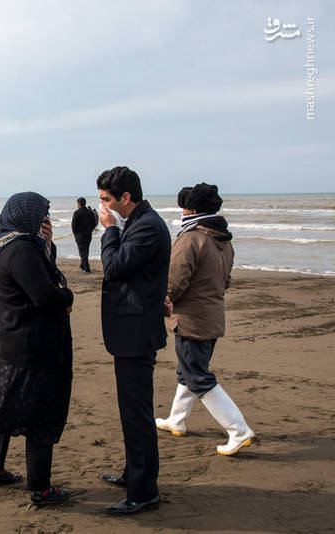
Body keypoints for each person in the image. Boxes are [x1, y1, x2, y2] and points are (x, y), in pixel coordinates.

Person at [0, 192, 74, 506]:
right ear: (27, 217)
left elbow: (40, 277)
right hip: (27, 348)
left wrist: (46, 245)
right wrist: (68, 298)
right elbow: (45, 295)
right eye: (41, 216)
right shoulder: (22, 249)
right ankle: (41, 488)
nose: (45, 222)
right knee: (40, 418)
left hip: (5, 341)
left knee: (1, 411)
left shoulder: (7, 243)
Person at [156, 183, 255, 455]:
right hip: (212, 315)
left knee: (197, 375)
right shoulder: (223, 239)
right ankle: (177, 419)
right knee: (187, 370)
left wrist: (163, 300)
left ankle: (238, 430)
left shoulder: (191, 238)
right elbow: (226, 280)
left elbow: (175, 280)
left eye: (184, 208)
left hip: (192, 318)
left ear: (192, 209)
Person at [96, 166, 170, 515]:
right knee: (132, 412)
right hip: (134, 329)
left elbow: (113, 268)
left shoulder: (146, 227)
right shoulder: (140, 223)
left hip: (136, 335)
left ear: (126, 197)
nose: (104, 207)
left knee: (137, 415)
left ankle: (143, 493)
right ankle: (134, 475)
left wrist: (108, 230)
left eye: (107, 200)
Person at [71, 197, 97, 273]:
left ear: (79, 204)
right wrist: (90, 231)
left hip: (80, 236)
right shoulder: (90, 212)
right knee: (86, 251)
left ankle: (87, 268)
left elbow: (73, 225)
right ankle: (82, 265)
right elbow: (93, 224)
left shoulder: (76, 213)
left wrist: (75, 234)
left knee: (82, 253)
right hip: (88, 235)